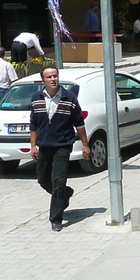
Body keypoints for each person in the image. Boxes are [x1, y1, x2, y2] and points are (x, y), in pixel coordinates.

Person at [29, 66, 90, 232]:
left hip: (63, 145)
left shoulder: (69, 98)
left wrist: (85, 144)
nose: (53, 79)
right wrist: (33, 145)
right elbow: (33, 125)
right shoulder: (36, 98)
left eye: (55, 76)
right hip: (44, 146)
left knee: (58, 181)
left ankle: (56, 219)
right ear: (43, 81)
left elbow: (79, 124)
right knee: (43, 179)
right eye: (49, 77)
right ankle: (65, 193)